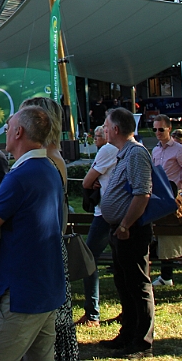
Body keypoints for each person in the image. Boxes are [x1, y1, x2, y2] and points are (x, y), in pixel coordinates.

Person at [0, 106, 66, 361]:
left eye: (9, 127)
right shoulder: (49, 169)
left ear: (19, 132)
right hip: (46, 285)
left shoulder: (20, 176)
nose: (5, 132)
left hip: (22, 292)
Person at [20, 95, 77, 361]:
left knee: (47, 333)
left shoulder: (50, 161)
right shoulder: (51, 158)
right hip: (49, 252)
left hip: (44, 254)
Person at [98, 107, 155, 359]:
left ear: (117, 129)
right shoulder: (124, 154)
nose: (103, 130)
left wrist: (125, 225)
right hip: (119, 229)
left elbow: (142, 193)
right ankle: (128, 332)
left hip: (131, 231)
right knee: (125, 282)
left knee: (137, 283)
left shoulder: (135, 153)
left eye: (106, 126)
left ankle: (142, 340)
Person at [150, 114, 182, 294]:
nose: (157, 132)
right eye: (154, 129)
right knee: (164, 237)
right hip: (162, 201)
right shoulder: (155, 151)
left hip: (178, 201)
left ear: (169, 129)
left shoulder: (179, 150)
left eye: (161, 129)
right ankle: (166, 276)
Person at [79, 126, 118, 327]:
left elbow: (87, 181)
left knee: (89, 259)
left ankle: (92, 313)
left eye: (101, 133)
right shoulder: (131, 148)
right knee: (123, 261)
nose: (96, 138)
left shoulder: (108, 150)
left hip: (105, 213)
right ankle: (129, 310)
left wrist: (94, 182)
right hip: (122, 212)